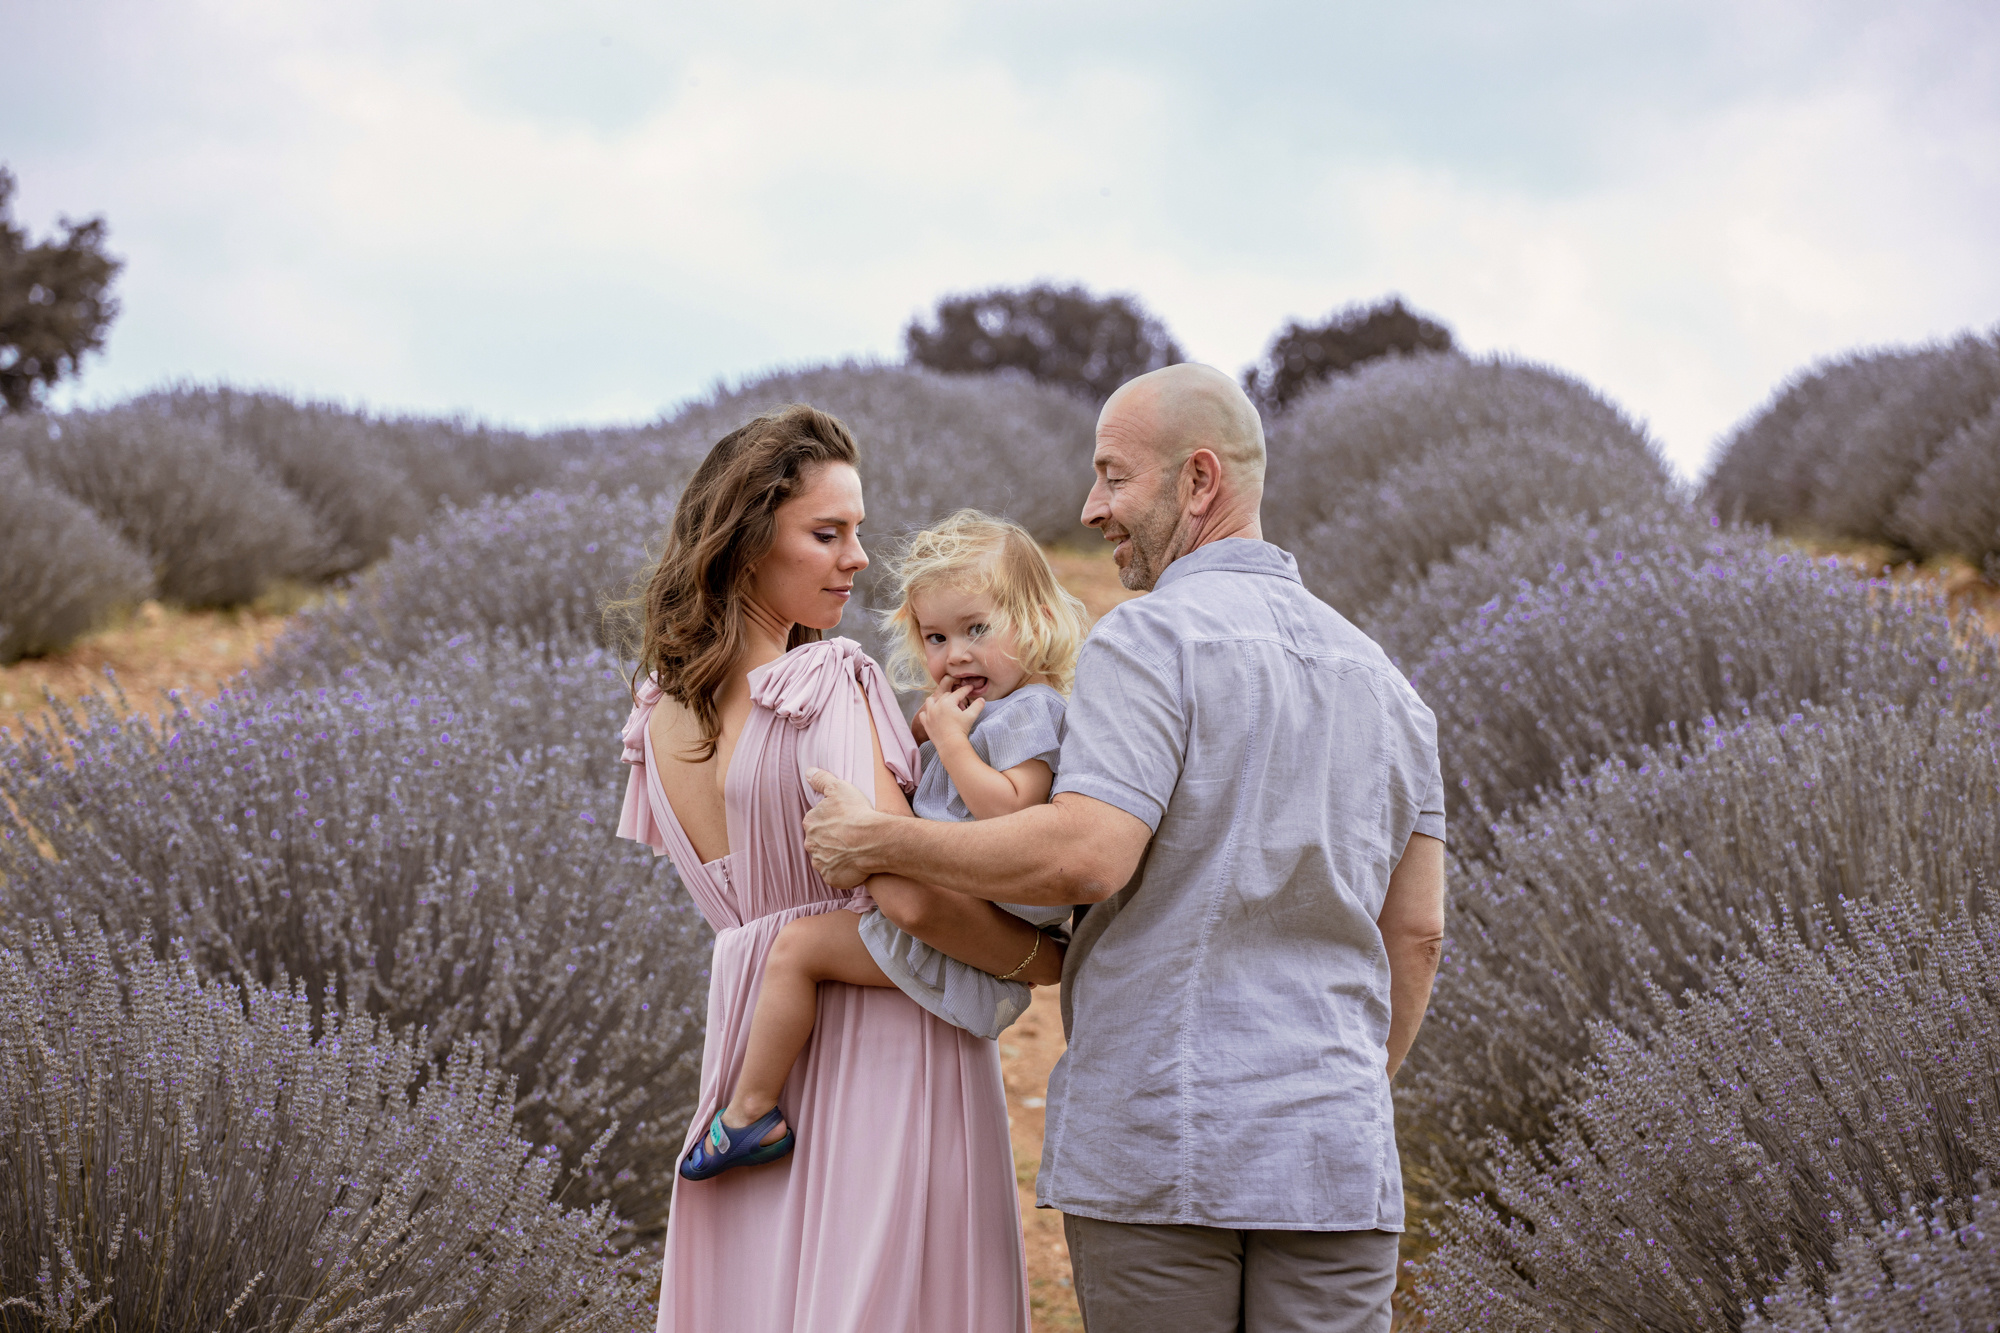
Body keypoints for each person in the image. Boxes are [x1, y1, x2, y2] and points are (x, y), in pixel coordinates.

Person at [802, 363, 1450, 1333]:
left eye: (1113, 475)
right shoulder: (1390, 687)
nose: (1090, 506)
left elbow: (1087, 855)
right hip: (1334, 1151)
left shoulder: (1149, 641)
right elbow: (1419, 932)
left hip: (1165, 1142)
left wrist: (879, 841)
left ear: (1196, 481)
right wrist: (1337, 1093)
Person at [615, 406, 1051, 1332]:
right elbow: (902, 890)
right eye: (828, 533)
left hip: (751, 1049)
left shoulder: (657, 715)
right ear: (744, 543)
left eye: (857, 530)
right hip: (884, 1043)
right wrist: (1041, 962)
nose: (859, 558)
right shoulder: (827, 682)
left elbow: (752, 906)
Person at [680, 509, 1090, 1181]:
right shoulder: (989, 707)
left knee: (797, 950)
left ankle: (748, 1111)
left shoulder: (1035, 709)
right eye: (935, 635)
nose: (954, 654)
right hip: (946, 903)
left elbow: (1010, 809)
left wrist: (950, 744)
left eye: (976, 629)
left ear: (1036, 619)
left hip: (960, 914)